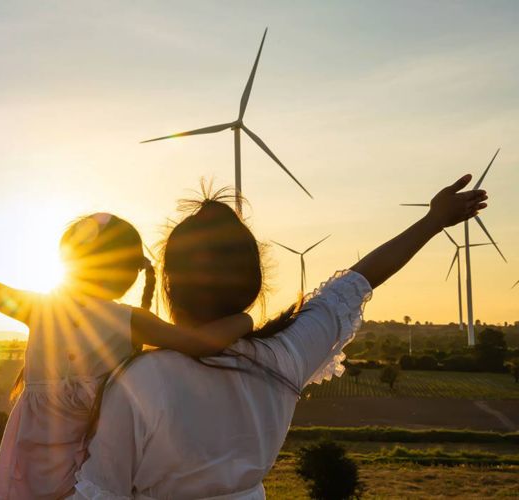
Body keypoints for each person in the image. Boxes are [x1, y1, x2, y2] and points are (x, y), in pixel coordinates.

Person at [71, 176, 490, 499]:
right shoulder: (283, 356)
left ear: (169, 285)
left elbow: (100, 491)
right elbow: (359, 280)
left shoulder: (139, 382)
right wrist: (434, 221)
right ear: (253, 284)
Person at [0, 214, 255, 499]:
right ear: (126, 272)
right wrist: (244, 319)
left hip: (35, 459)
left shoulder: (40, 308)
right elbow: (198, 343)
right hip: (92, 464)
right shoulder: (129, 321)